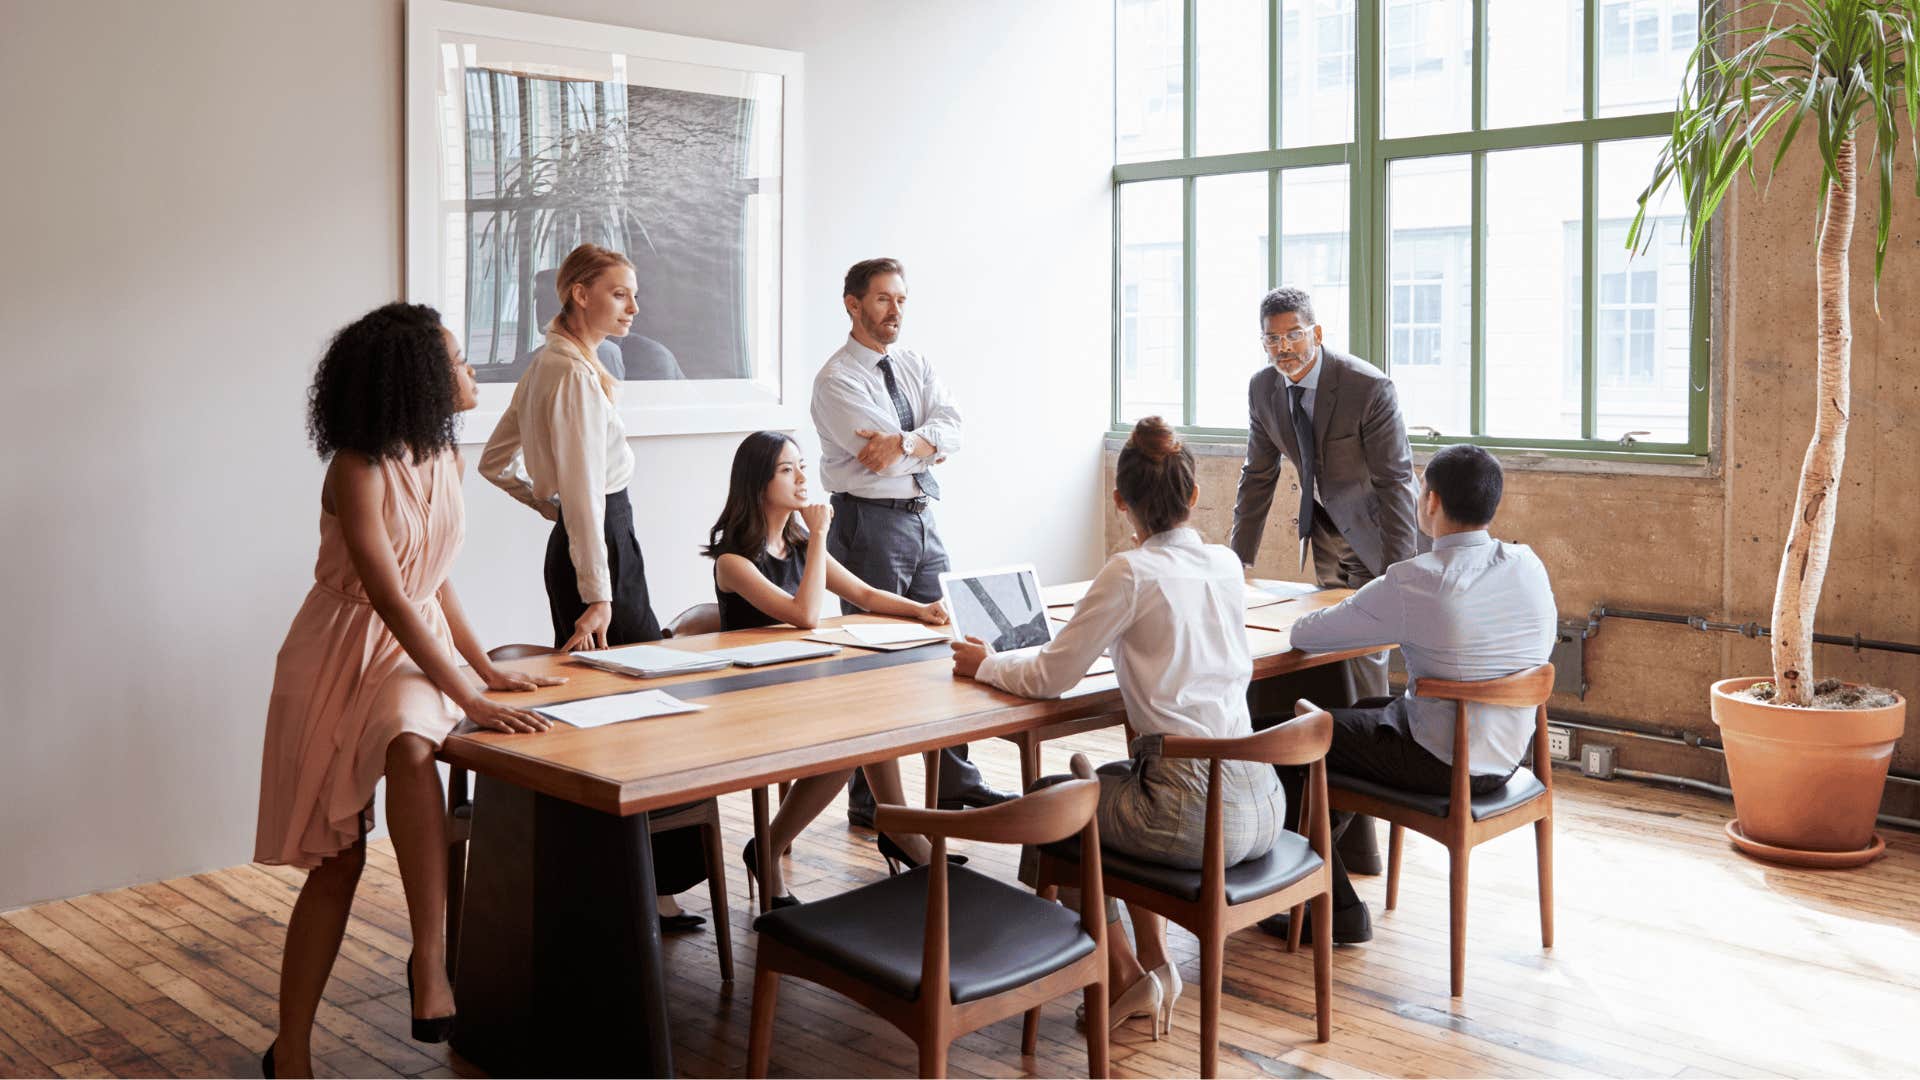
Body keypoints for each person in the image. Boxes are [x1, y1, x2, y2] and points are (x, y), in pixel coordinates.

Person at [255, 304, 563, 1079]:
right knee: (339, 863)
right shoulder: (355, 469)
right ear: (417, 378)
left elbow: (434, 579)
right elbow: (389, 594)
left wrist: (484, 668)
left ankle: (430, 961)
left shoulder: (443, 458)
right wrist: (476, 693)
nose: (470, 374)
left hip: (405, 652)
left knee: (411, 739)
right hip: (336, 653)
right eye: (457, 361)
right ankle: (290, 1051)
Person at [952, 417, 1287, 1037]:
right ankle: (1154, 965)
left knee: (1058, 804)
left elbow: (1052, 675)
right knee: (1120, 787)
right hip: (1262, 798)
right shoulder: (1225, 565)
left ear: (1119, 502)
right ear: (1192, 496)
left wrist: (986, 662)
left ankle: (1128, 976)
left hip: (1192, 811)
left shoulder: (1130, 572)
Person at [477, 242, 708, 931]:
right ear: (578, 293)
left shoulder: (555, 362)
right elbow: (582, 494)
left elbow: (496, 464)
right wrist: (599, 591)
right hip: (599, 548)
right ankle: (639, 889)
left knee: (624, 714)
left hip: (594, 543)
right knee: (633, 716)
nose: (633, 307)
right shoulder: (571, 375)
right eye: (619, 293)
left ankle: (630, 885)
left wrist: (544, 504)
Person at [1256, 443, 1557, 945]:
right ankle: (1323, 864)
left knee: (1284, 741)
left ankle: (1331, 909)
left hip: (1440, 762)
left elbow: (1307, 634)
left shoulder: (1417, 581)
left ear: (1431, 501)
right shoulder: (1528, 565)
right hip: (1505, 757)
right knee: (1360, 714)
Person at [706, 431, 959, 902]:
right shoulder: (734, 561)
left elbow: (863, 594)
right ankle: (769, 847)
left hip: (800, 682)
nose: (803, 478)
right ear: (756, 483)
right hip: (752, 698)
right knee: (850, 741)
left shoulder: (801, 548)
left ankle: (897, 824)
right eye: (787, 470)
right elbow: (804, 615)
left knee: (876, 716)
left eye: (801, 466)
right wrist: (821, 534)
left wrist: (919, 610)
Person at [1229, 285, 1427, 873]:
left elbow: (1397, 482)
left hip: (1379, 538)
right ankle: (1318, 831)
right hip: (1324, 539)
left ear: (1316, 333)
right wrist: (1238, 559)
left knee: (1365, 669)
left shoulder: (1368, 386)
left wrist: (1399, 575)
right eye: (1272, 338)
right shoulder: (1263, 389)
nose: (1283, 348)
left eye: (1294, 335)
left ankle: (1362, 839)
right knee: (1323, 664)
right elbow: (1256, 475)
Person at [810, 257, 1013, 826]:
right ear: (852, 305)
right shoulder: (836, 379)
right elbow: (876, 455)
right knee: (878, 661)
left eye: (901, 299)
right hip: (868, 523)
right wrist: (923, 442)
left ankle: (953, 781)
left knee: (948, 641)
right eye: (882, 299)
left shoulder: (916, 362)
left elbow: (953, 427)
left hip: (923, 516)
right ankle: (869, 799)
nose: (895, 310)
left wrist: (910, 440)